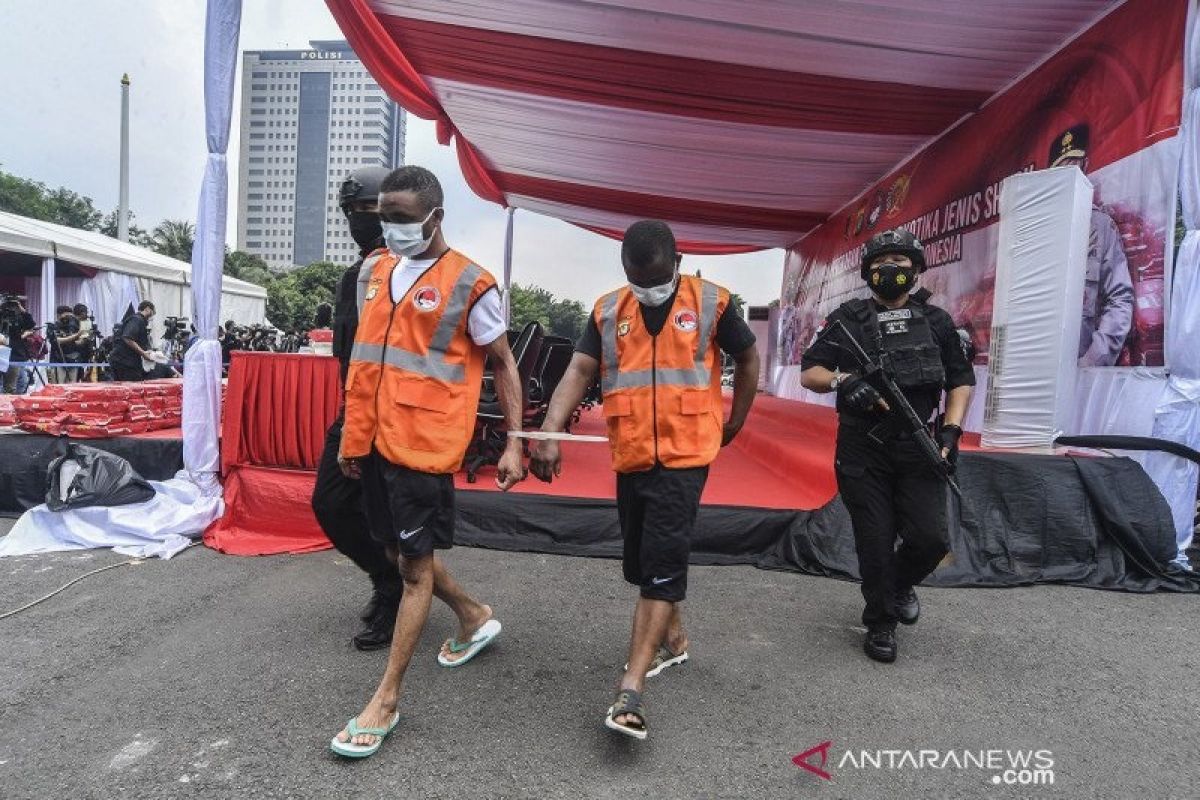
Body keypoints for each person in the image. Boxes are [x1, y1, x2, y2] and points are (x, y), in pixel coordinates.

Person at [530, 220, 760, 741]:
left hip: (685, 456)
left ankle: (630, 689)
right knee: (639, 562)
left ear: (677, 264)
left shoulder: (712, 303)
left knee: (660, 565)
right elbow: (579, 371)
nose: (647, 288)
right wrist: (549, 430)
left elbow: (747, 358)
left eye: (656, 279)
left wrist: (738, 418)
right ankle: (673, 636)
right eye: (637, 279)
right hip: (632, 452)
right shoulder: (610, 310)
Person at [330, 166, 526, 759]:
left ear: (435, 217)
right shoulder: (376, 271)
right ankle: (471, 613)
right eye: (382, 217)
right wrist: (351, 436)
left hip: (424, 442)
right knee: (394, 551)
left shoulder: (472, 283)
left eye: (401, 218)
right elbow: (366, 360)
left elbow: (503, 363)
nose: (390, 228)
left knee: (414, 569)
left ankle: (385, 700)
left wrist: (515, 441)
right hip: (370, 437)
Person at [800, 228, 974, 664]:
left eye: (899, 262)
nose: (889, 270)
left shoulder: (936, 322)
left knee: (931, 540)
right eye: (880, 263)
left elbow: (960, 380)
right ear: (867, 273)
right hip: (863, 448)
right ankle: (880, 622)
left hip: (919, 444)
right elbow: (811, 371)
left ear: (916, 270)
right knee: (874, 543)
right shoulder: (849, 319)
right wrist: (846, 380)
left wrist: (951, 431)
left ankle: (898, 586)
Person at [310, 167, 405, 651]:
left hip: (388, 412)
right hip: (355, 406)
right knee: (330, 503)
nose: (359, 220)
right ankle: (388, 579)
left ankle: (401, 594)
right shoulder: (356, 273)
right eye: (353, 211)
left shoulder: (399, 273)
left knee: (382, 513)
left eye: (369, 210)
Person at [1046, 125, 1134, 366]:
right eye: (1062, 167)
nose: (1071, 174)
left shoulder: (1101, 227)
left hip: (1081, 369)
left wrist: (1094, 360)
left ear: (1085, 167)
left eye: (1076, 165)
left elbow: (1120, 298)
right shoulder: (1035, 228)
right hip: (1037, 364)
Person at [108, 301, 156, 382]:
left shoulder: (137, 320)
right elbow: (128, 338)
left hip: (124, 360)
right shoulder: (137, 320)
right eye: (153, 312)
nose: (152, 315)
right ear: (147, 309)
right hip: (125, 362)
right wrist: (143, 354)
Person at [1, 296, 36, 394]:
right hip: (2, 353)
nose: (11, 308)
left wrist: (21, 308)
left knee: (20, 383)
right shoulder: (2, 316)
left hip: (15, 354)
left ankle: (15, 405)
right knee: (6, 386)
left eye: (14, 305)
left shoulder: (18, 318)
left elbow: (31, 325)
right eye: (9, 305)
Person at [50, 305, 83, 383]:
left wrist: (83, 339)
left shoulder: (74, 325)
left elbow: (79, 342)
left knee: (72, 386)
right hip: (58, 360)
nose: (68, 318)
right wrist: (75, 336)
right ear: (59, 315)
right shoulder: (54, 326)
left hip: (73, 359)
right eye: (66, 315)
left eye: (70, 316)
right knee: (59, 387)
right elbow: (57, 341)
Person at [74, 304, 95, 381]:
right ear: (82, 313)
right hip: (77, 355)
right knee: (77, 377)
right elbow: (78, 342)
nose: (87, 314)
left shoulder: (85, 323)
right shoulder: (74, 324)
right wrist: (88, 337)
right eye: (86, 312)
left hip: (84, 355)